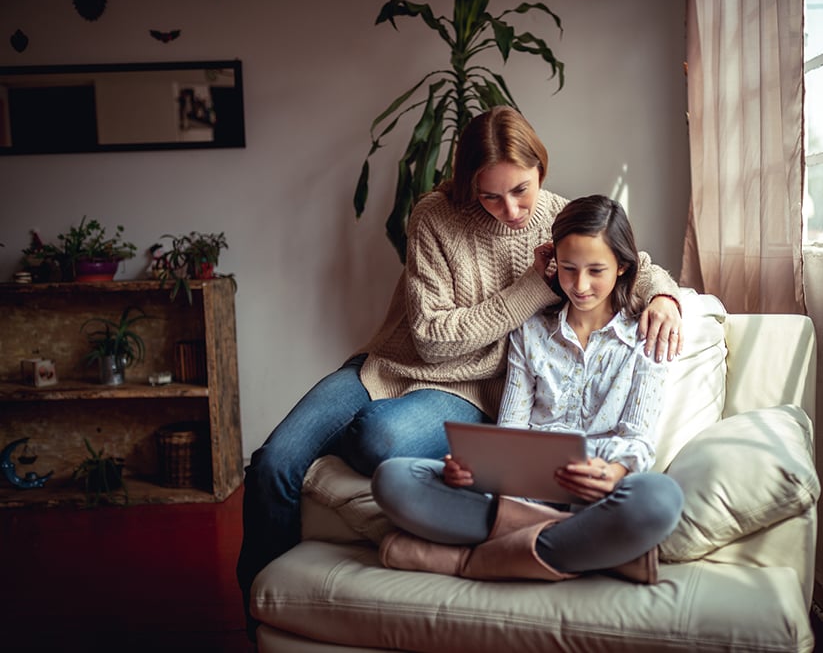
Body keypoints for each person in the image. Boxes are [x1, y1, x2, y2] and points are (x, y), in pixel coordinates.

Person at [237, 108, 684, 627]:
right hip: (386, 367)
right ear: (468, 182)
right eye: (490, 195)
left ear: (540, 168)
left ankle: (487, 553)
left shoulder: (560, 218)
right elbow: (429, 341)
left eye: (521, 189)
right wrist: (534, 288)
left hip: (469, 390)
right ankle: (259, 617)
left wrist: (666, 300)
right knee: (274, 461)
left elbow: (631, 261)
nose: (511, 209)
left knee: (378, 443)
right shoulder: (434, 216)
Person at [371, 195, 684, 584]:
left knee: (659, 499)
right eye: (568, 269)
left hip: (597, 495)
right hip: (521, 492)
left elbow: (638, 438)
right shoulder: (532, 330)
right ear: (554, 263)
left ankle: (471, 561)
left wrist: (616, 472)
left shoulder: (646, 334)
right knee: (394, 479)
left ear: (622, 266)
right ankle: (587, 551)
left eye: (596, 270)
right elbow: (510, 430)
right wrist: (478, 470)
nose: (580, 285)